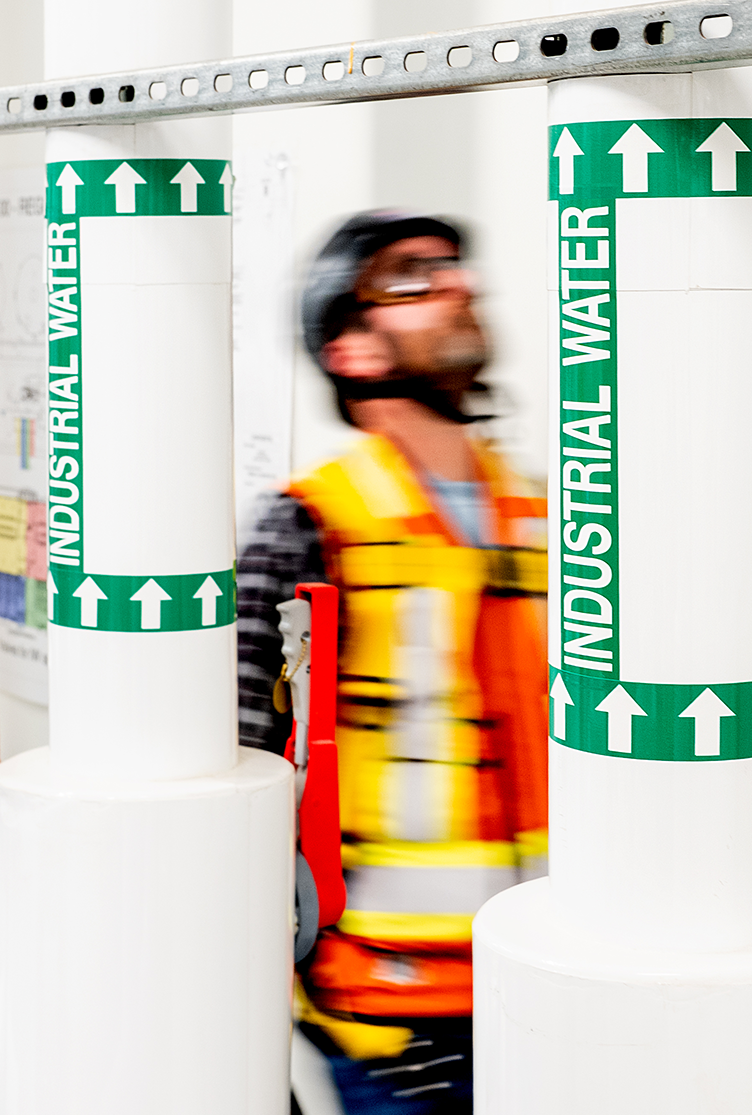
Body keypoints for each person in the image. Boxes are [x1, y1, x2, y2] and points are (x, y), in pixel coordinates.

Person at [238, 211, 548, 1115]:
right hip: (391, 1021)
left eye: (455, 266)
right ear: (352, 348)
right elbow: (242, 777)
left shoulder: (550, 517)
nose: (458, 284)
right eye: (413, 276)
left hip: (552, 980)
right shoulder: (309, 525)